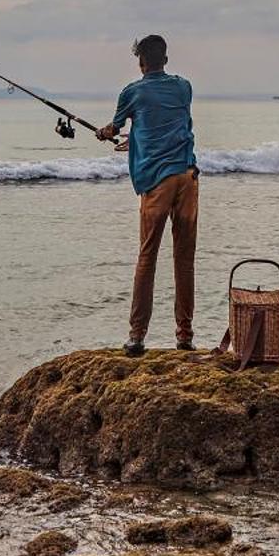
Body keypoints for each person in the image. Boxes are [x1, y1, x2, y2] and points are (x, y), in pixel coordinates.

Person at [95, 34, 197, 356]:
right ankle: (184, 336)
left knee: (147, 257)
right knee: (184, 260)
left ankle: (137, 337)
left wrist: (105, 133)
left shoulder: (132, 92)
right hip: (187, 177)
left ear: (140, 62)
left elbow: (114, 128)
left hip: (157, 183)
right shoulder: (184, 87)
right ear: (165, 59)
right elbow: (164, 124)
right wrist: (136, 139)